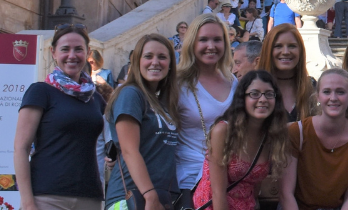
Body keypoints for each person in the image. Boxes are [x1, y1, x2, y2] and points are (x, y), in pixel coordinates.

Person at [15, 26, 107, 210]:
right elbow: (21, 148)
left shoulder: (95, 98)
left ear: (87, 53)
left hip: (89, 196)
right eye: (65, 49)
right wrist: (27, 203)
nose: (72, 55)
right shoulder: (41, 91)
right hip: (47, 196)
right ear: (53, 53)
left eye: (78, 49)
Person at [104, 34, 180, 210]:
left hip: (157, 197)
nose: (155, 62)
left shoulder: (161, 102)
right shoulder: (131, 94)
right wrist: (150, 195)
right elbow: (130, 150)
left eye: (162, 57)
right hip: (132, 198)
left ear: (170, 65)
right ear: (137, 62)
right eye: (148, 56)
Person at [193, 71, 289, 210]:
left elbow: (254, 186)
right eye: (254, 94)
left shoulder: (271, 135)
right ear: (242, 98)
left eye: (269, 94)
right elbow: (217, 192)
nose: (263, 99)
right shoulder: (223, 131)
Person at [280, 69, 348, 210]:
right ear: (317, 96)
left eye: (340, 92)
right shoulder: (297, 132)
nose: (333, 98)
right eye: (327, 92)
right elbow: (286, 193)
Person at [175, 14, 237, 199]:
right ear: (192, 43)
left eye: (217, 40)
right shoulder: (177, 83)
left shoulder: (234, 82)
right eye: (203, 40)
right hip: (190, 182)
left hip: (229, 180)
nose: (211, 46)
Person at [258, 24, 313, 122]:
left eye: (292, 46)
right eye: (278, 46)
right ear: (268, 50)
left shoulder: (312, 87)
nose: (286, 52)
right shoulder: (251, 90)